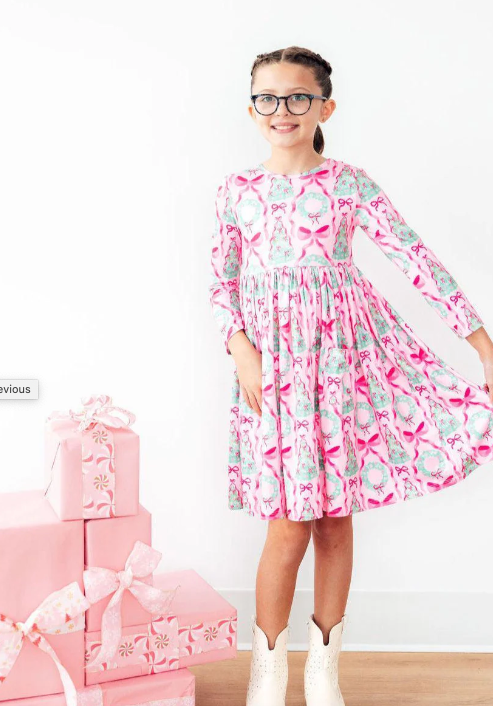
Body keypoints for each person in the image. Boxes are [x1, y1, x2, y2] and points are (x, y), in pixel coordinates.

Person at [209, 45, 493, 706]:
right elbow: (221, 283)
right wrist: (241, 349)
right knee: (287, 525)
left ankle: (323, 671)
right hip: (271, 370)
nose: (282, 109)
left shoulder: (349, 184)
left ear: (324, 107)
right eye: (267, 97)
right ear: (251, 109)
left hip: (342, 365)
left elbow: (414, 258)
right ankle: (267, 672)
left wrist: (481, 343)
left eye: (297, 97)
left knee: (335, 520)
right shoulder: (235, 191)